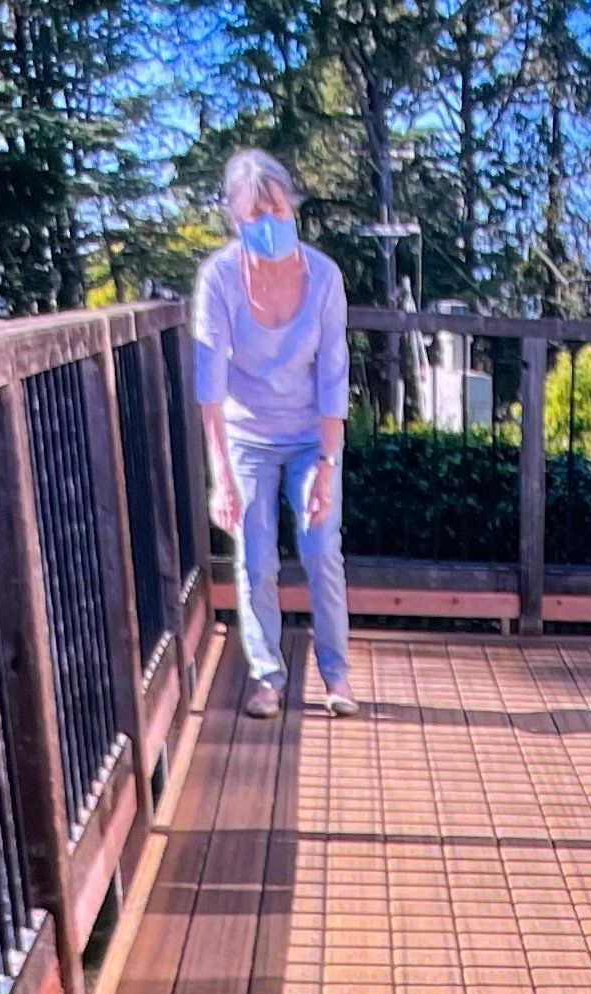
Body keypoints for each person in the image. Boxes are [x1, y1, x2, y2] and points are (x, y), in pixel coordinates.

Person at [192, 149, 357, 720]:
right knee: (255, 558)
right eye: (254, 216)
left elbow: (334, 375)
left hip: (312, 436)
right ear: (235, 221)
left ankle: (337, 675)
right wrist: (222, 479)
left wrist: (329, 466)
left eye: (277, 209)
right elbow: (209, 388)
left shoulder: (324, 276)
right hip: (246, 438)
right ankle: (268, 678)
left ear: (293, 208)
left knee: (320, 549)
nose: (267, 224)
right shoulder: (217, 279)